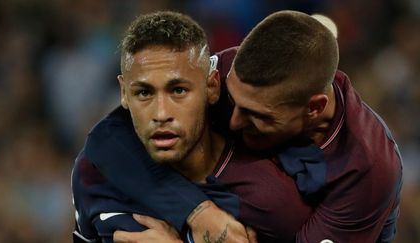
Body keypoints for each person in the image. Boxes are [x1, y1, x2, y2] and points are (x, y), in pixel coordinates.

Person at [75, 10, 403, 243]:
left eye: (256, 116)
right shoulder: (236, 72)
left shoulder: (368, 171)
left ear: (313, 109)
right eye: (234, 100)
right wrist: (196, 211)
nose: (233, 120)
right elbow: (109, 138)